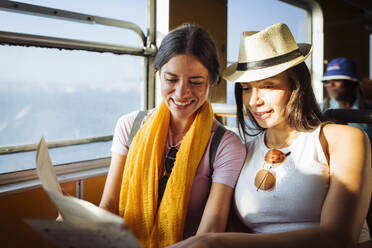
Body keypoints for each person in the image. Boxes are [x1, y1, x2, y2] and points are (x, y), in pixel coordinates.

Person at [169, 23, 372, 248]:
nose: (254, 100)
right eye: (246, 88)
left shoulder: (343, 139)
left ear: (296, 86)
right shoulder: (243, 151)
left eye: (267, 86)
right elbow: (236, 230)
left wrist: (215, 241)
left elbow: (339, 238)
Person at [98, 24, 246, 247]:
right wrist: (79, 220)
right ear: (157, 74)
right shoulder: (130, 126)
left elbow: (209, 234)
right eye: (171, 79)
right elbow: (108, 206)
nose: (181, 93)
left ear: (213, 81)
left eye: (195, 82)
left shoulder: (226, 146)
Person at [321, 57, 372, 140]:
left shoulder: (368, 110)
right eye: (326, 81)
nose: (330, 84)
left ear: (352, 83)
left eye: (336, 79)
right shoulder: (319, 111)